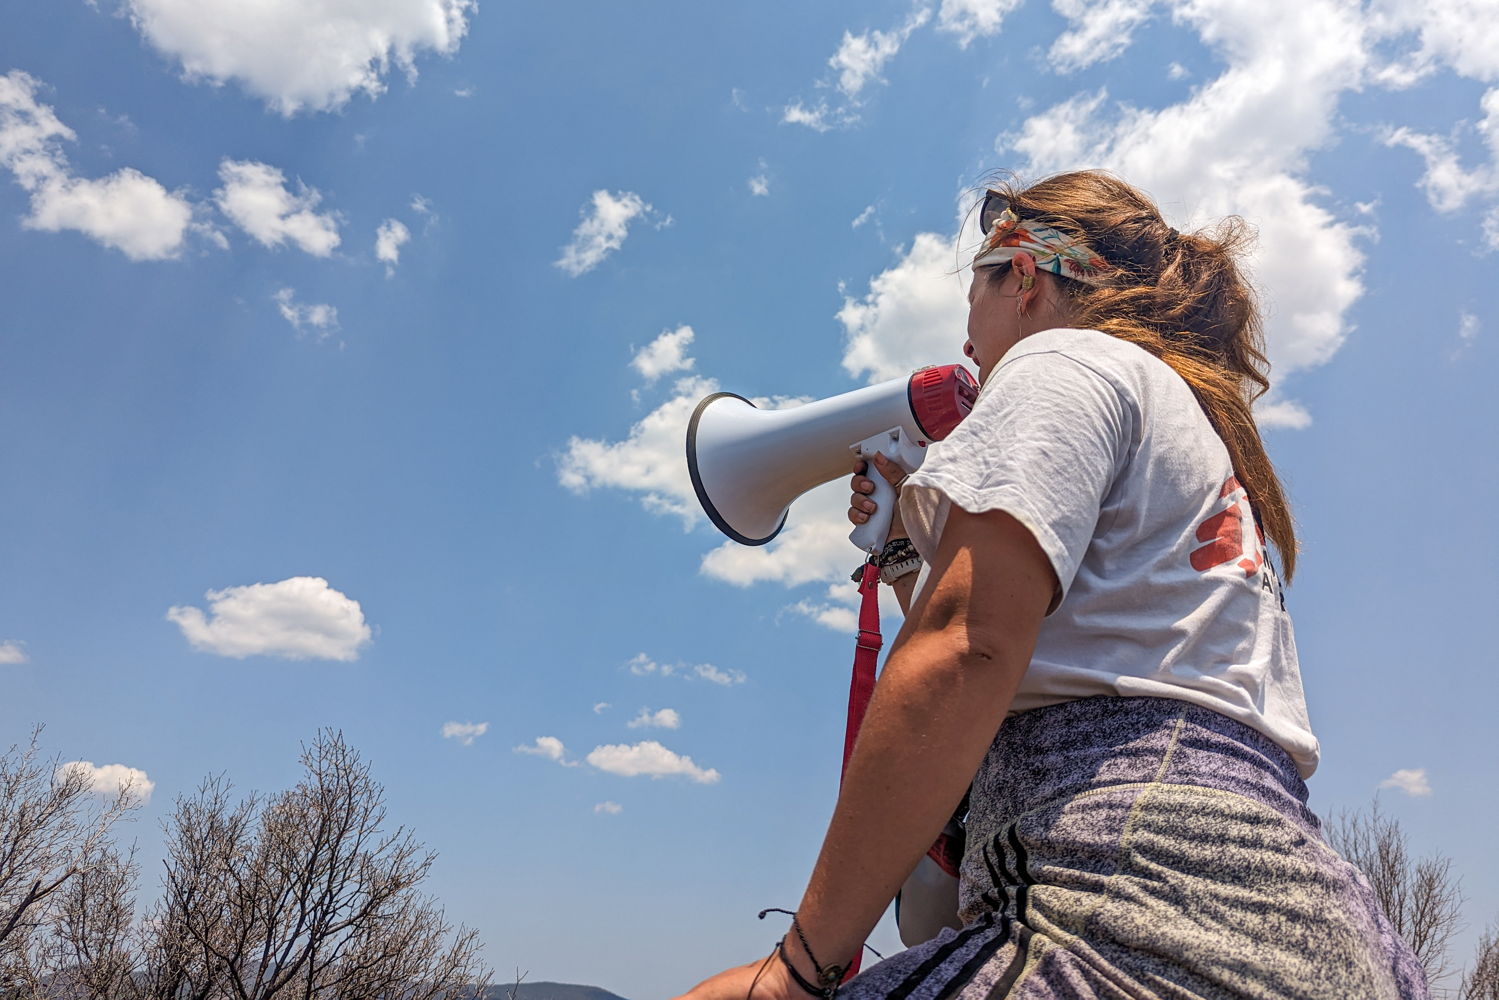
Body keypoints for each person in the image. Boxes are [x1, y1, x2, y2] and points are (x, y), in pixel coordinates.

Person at [674, 170, 1428, 1000]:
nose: (968, 341)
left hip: (1129, 908)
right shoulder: (1188, 427)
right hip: (1288, 922)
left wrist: (797, 968)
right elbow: (1033, 655)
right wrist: (899, 554)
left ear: (1023, 277)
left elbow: (968, 647)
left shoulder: (1064, 358)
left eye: (974, 296)